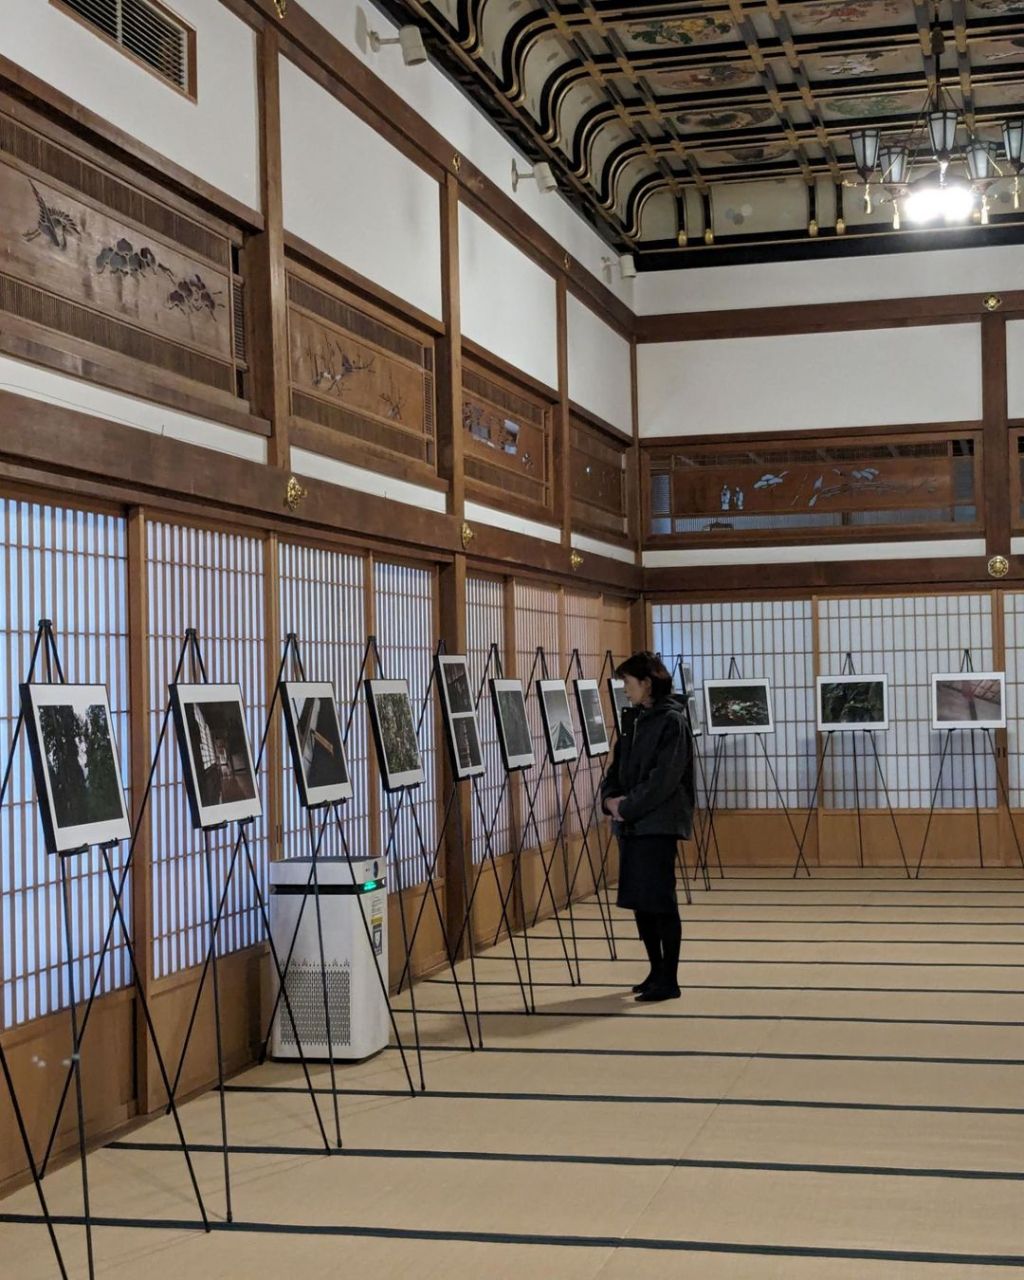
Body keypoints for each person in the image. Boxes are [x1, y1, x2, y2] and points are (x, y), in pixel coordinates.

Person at [601, 651, 694, 1002]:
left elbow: (663, 780)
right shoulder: (636, 719)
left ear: (647, 682)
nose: (624, 689)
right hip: (633, 824)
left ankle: (669, 979)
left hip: (657, 824)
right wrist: (610, 799)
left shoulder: (672, 721)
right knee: (641, 902)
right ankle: (655, 970)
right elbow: (617, 767)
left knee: (660, 902)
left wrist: (627, 807)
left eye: (627, 682)